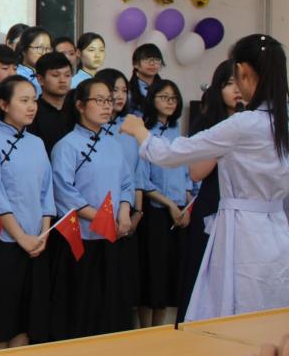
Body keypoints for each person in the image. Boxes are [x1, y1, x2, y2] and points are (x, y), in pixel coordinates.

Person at [121, 34, 289, 321]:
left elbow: (175, 153)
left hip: (242, 229)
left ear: (244, 72)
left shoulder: (244, 123)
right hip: (278, 227)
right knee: (271, 304)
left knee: (236, 305)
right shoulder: (281, 119)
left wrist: (140, 132)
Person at [49, 78, 133, 338]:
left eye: (109, 100)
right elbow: (63, 192)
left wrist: (124, 213)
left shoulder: (114, 144)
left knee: (112, 306)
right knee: (82, 307)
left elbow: (126, 183)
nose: (107, 106)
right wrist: (100, 218)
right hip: (81, 238)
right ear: (80, 106)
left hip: (113, 235)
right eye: (99, 100)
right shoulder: (67, 145)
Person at [0, 75, 54, 350]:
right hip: (5, 243)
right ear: (3, 104)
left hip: (36, 242)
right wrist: (21, 237)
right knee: (0, 319)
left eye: (34, 100)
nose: (32, 106)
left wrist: (43, 233)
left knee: (26, 319)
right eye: (24, 100)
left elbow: (47, 192)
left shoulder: (37, 142)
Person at [178, 60, 243, 322]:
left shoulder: (258, 123)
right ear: (218, 88)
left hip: (246, 208)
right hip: (213, 204)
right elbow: (196, 173)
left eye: (242, 82)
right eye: (229, 84)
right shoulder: (207, 123)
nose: (237, 89)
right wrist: (227, 137)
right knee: (204, 274)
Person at [95, 68, 149, 320]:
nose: (118, 96)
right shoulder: (94, 130)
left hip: (126, 213)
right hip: (97, 217)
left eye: (123, 90)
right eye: (112, 91)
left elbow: (136, 173)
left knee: (124, 283)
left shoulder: (132, 127)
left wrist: (136, 212)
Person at [137, 79, 191, 327]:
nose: (170, 102)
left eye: (173, 98)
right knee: (152, 272)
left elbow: (186, 174)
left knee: (170, 273)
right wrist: (169, 204)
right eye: (164, 97)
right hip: (156, 211)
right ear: (152, 99)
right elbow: (143, 179)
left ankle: (161, 328)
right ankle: (145, 331)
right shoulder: (144, 132)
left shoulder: (177, 131)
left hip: (179, 211)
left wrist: (186, 206)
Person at [28, 51, 73, 156]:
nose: (63, 80)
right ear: (40, 79)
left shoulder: (76, 110)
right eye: (55, 75)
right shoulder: (32, 113)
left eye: (67, 75)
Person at [127, 43, 165, 115]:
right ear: (135, 64)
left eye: (156, 59)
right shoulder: (127, 90)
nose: (152, 63)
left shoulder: (165, 88)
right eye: (146, 59)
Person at [15, 27, 52, 98]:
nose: (44, 53)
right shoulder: (16, 76)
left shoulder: (50, 75)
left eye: (48, 48)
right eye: (39, 48)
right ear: (24, 49)